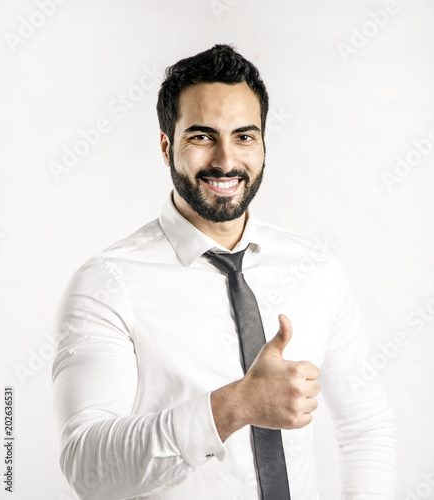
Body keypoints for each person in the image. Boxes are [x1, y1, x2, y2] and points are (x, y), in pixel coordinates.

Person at [52, 44, 397, 500]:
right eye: (201, 136)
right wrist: (235, 405)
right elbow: (87, 467)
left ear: (263, 142)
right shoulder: (106, 284)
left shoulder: (317, 270)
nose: (226, 160)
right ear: (165, 146)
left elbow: (366, 429)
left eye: (244, 136)